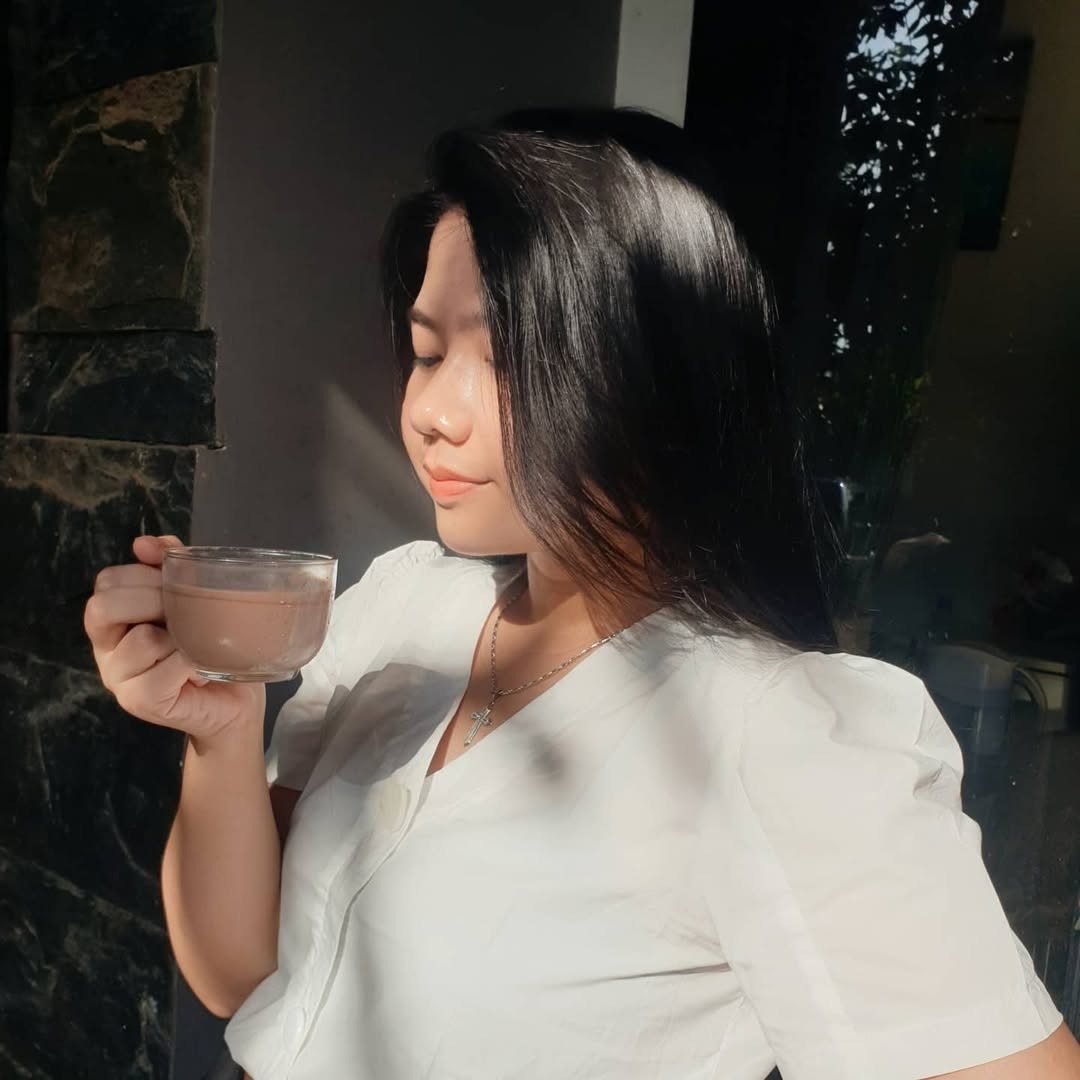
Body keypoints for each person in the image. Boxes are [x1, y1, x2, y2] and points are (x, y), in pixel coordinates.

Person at [84, 109, 1080, 1080]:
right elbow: (244, 980)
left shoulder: (772, 738)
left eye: (506, 359)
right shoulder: (402, 607)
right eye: (428, 353)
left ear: (663, 377)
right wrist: (221, 728)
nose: (430, 411)